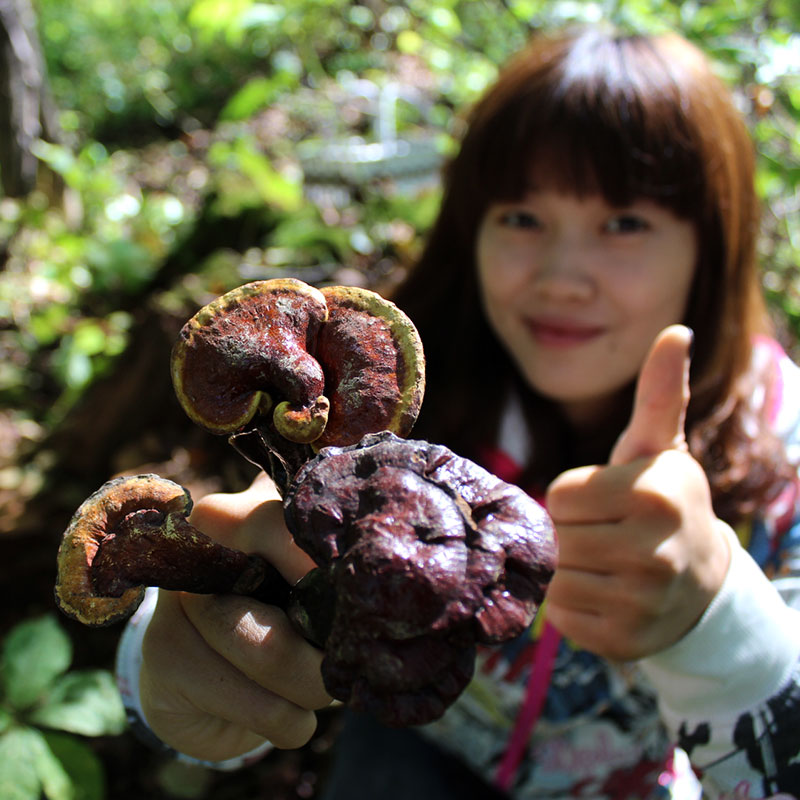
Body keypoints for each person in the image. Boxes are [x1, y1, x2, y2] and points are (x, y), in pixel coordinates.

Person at [117, 25, 800, 798]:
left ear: (712, 244)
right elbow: (262, 543)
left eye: (624, 223)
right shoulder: (381, 390)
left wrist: (713, 620)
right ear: (470, 225)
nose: (563, 275)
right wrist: (175, 662)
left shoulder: (786, 443)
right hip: (409, 743)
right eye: (521, 217)